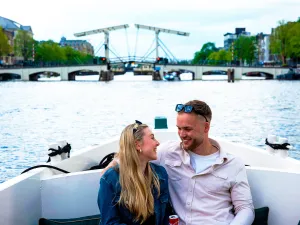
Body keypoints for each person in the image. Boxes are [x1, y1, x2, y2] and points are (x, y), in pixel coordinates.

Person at [103, 100, 255, 225]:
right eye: (179, 128)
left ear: (206, 127)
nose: (182, 135)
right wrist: (114, 163)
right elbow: (135, 155)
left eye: (187, 129)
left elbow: (245, 208)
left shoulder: (233, 164)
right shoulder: (167, 152)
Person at [98, 120, 172, 225]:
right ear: (137, 145)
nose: (157, 142)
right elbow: (110, 222)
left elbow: (166, 215)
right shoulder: (110, 179)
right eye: (152, 138)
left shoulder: (160, 174)